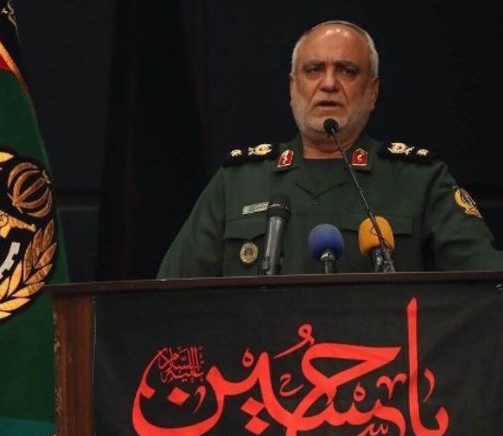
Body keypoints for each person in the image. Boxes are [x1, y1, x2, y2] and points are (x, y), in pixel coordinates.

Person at [158, 20, 503, 278]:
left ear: (372, 91)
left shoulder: (419, 181)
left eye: (346, 71)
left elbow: (489, 285)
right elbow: (168, 297)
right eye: (313, 70)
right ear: (293, 88)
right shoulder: (238, 182)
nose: (328, 84)